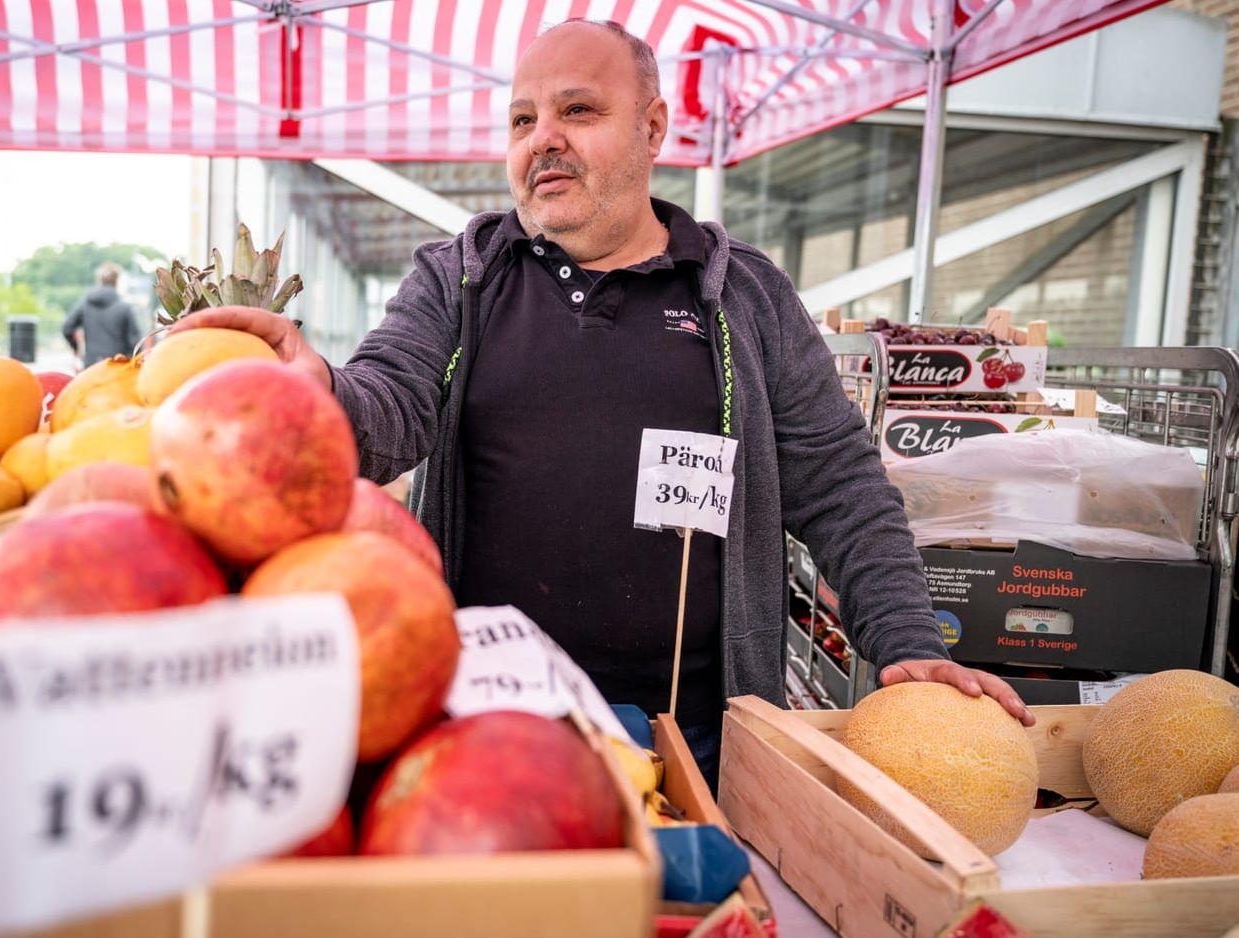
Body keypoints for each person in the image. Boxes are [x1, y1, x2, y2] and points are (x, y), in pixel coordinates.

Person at [187, 19, 1031, 783]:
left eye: (578, 110)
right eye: (523, 120)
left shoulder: (744, 296)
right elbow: (390, 401)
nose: (543, 139)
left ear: (653, 128)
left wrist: (907, 642)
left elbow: (841, 486)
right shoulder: (460, 279)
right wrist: (323, 396)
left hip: (698, 739)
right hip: (487, 724)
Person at [62, 262, 142, 368]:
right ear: (117, 281)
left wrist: (76, 349)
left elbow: (67, 328)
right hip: (116, 366)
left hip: (91, 365)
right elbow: (136, 344)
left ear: (99, 280)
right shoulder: (125, 308)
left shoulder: (85, 304)